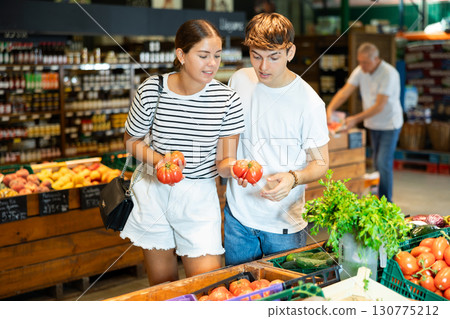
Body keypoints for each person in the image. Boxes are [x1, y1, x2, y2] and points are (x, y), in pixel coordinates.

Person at [121, 19, 245, 285]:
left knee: (206, 286)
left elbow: (224, 161)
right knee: (163, 286)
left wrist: (235, 169)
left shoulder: (228, 100)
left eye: (217, 56)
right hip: (154, 192)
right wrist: (161, 161)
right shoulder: (152, 90)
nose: (212, 63)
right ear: (181, 54)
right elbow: (131, 140)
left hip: (198, 197)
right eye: (203, 56)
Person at [224, 13, 330, 266]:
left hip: (284, 224)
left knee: (283, 299)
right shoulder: (238, 80)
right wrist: (230, 165)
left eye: (273, 57)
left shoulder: (309, 102)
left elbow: (321, 163)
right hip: (237, 217)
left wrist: (294, 178)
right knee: (236, 293)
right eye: (256, 56)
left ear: (290, 52)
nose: (263, 67)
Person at [326, 42, 403, 203]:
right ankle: (377, 199)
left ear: (376, 59)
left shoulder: (389, 74)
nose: (362, 66)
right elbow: (345, 91)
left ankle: (386, 203)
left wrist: (355, 119)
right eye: (360, 62)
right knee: (375, 162)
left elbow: (380, 105)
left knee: (383, 162)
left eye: (366, 62)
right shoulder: (361, 70)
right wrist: (330, 108)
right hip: (372, 124)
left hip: (390, 124)